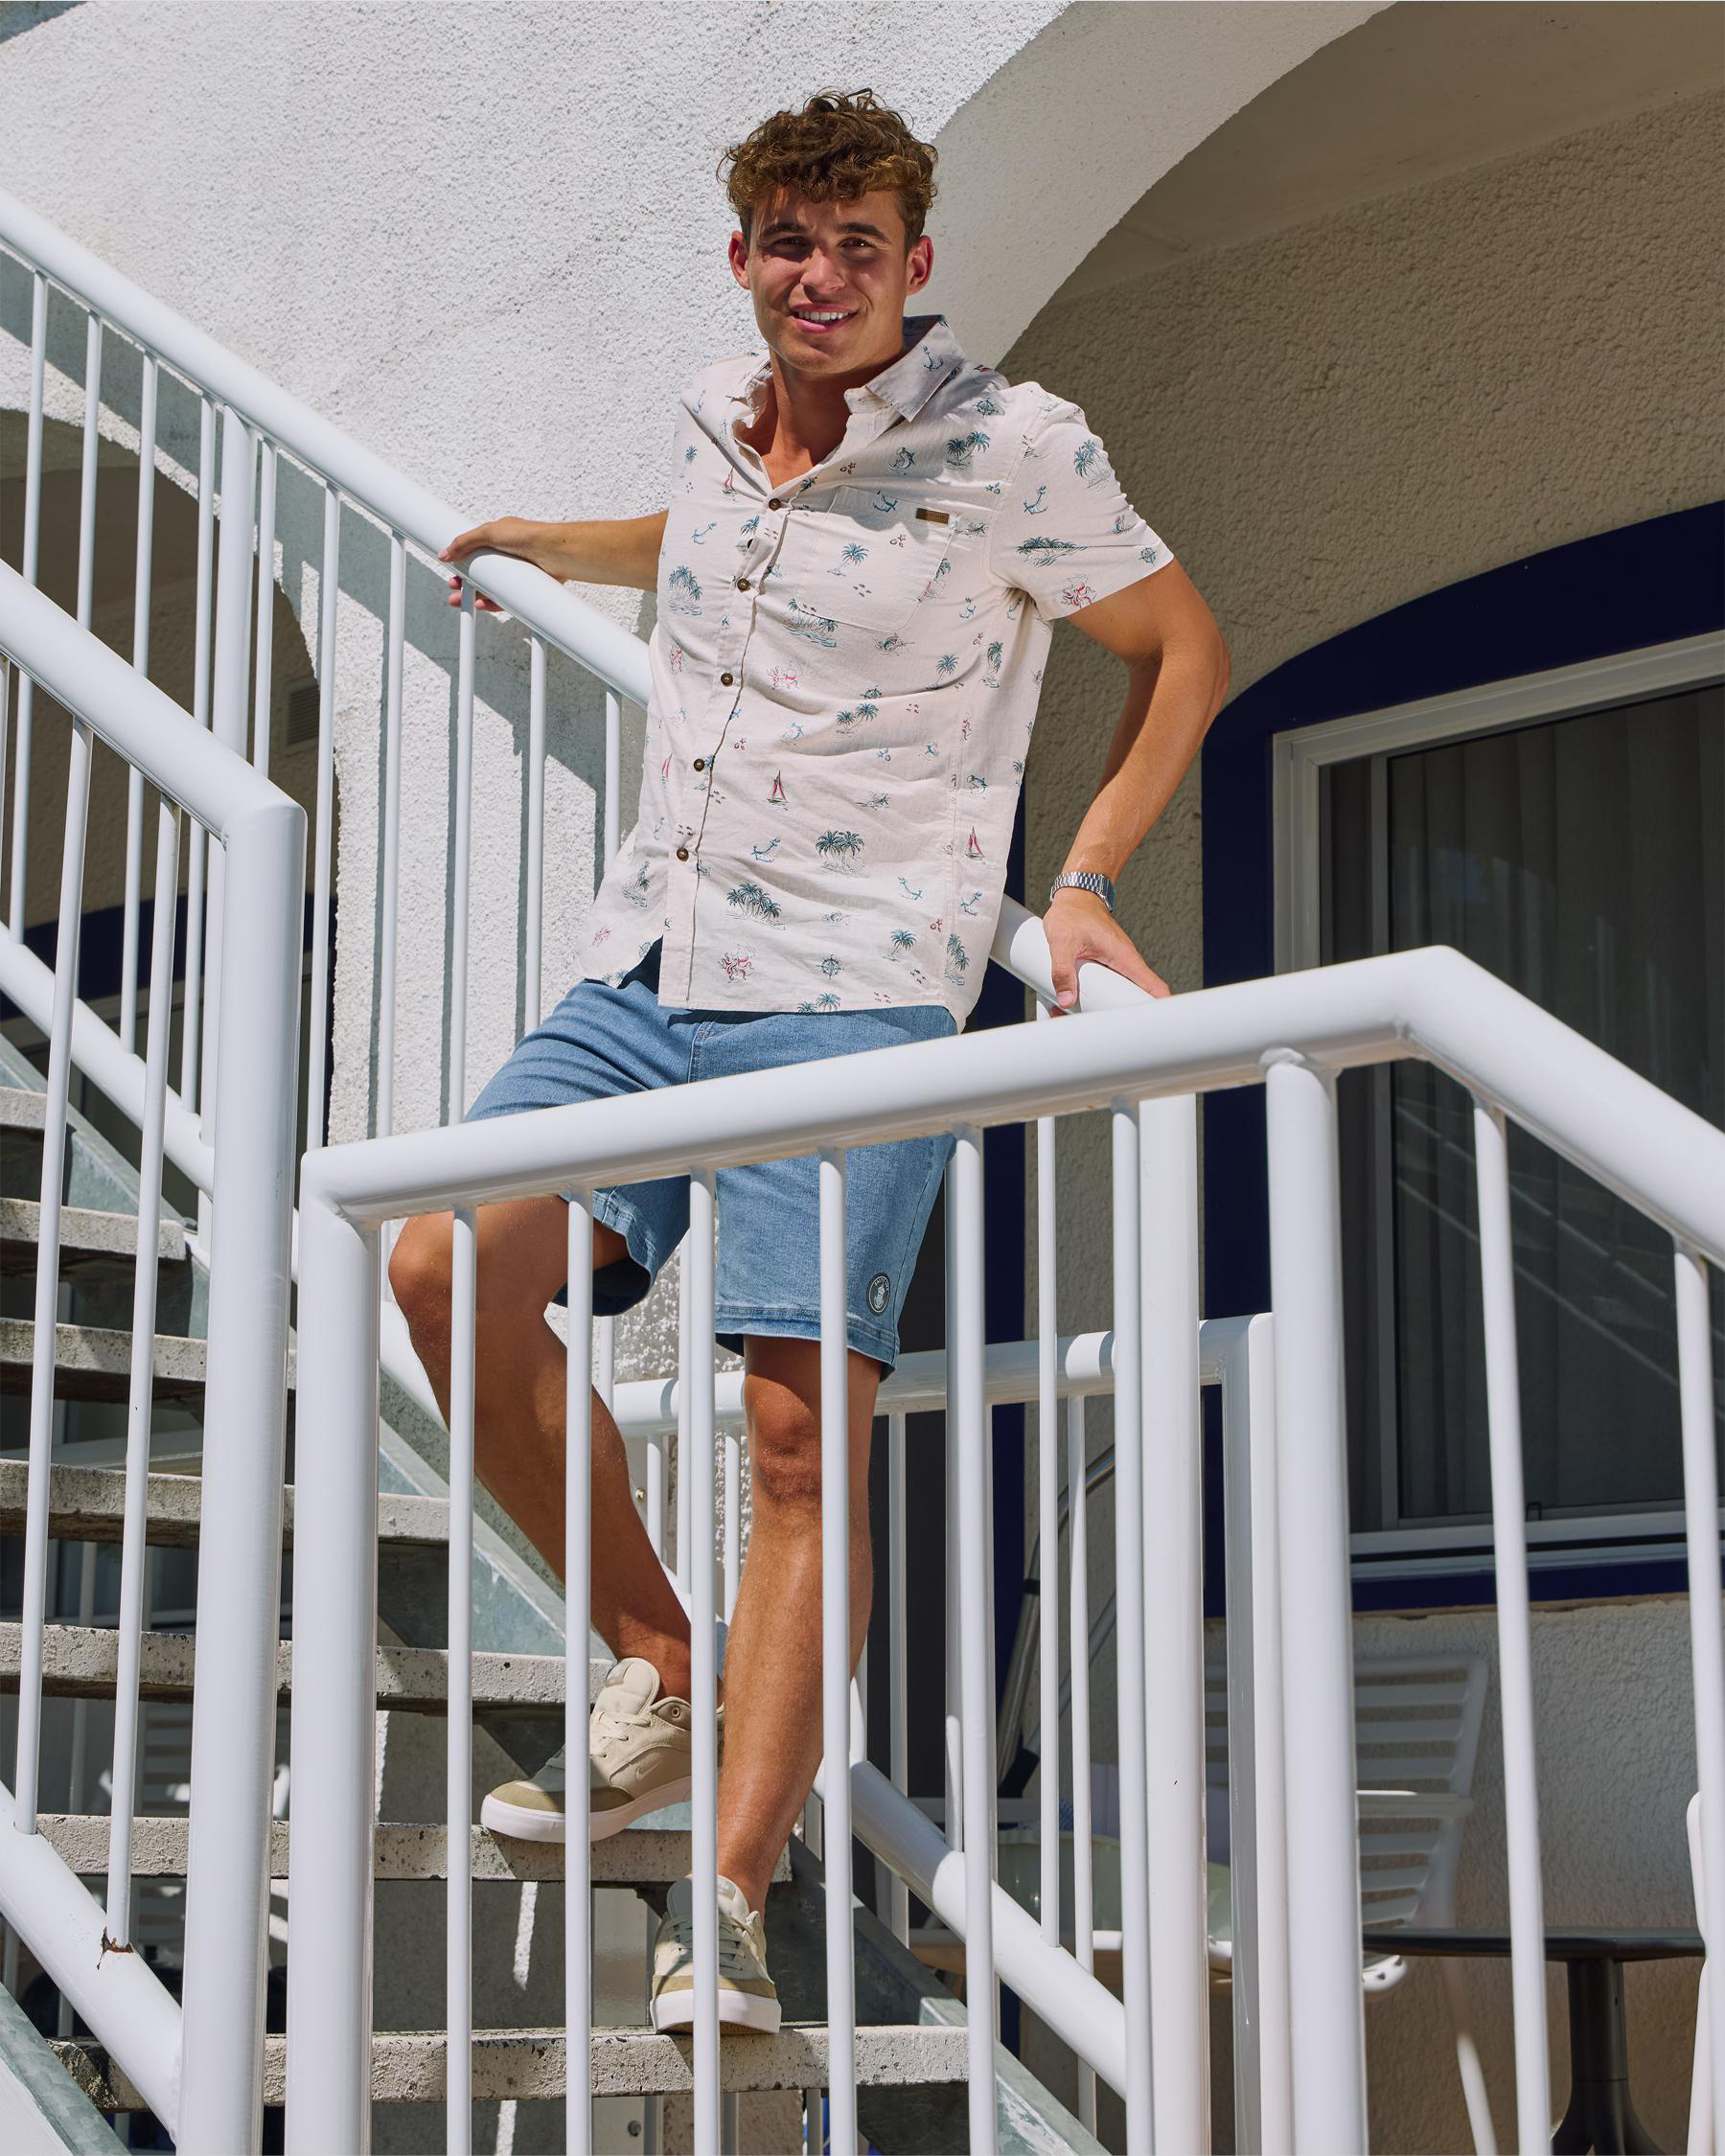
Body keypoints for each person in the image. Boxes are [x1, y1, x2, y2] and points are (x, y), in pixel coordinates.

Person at [392, 84, 1230, 2037]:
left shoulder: (1014, 446)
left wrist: (1085, 882)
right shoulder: (715, 416)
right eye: (791, 240)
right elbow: (721, 535)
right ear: (746, 256)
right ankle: (660, 1659)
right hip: (651, 962)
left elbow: (1183, 647)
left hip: (858, 986)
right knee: (441, 1264)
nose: (822, 275)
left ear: (915, 264)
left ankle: (733, 1894)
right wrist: (559, 544)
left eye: (860, 246)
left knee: (792, 1435)